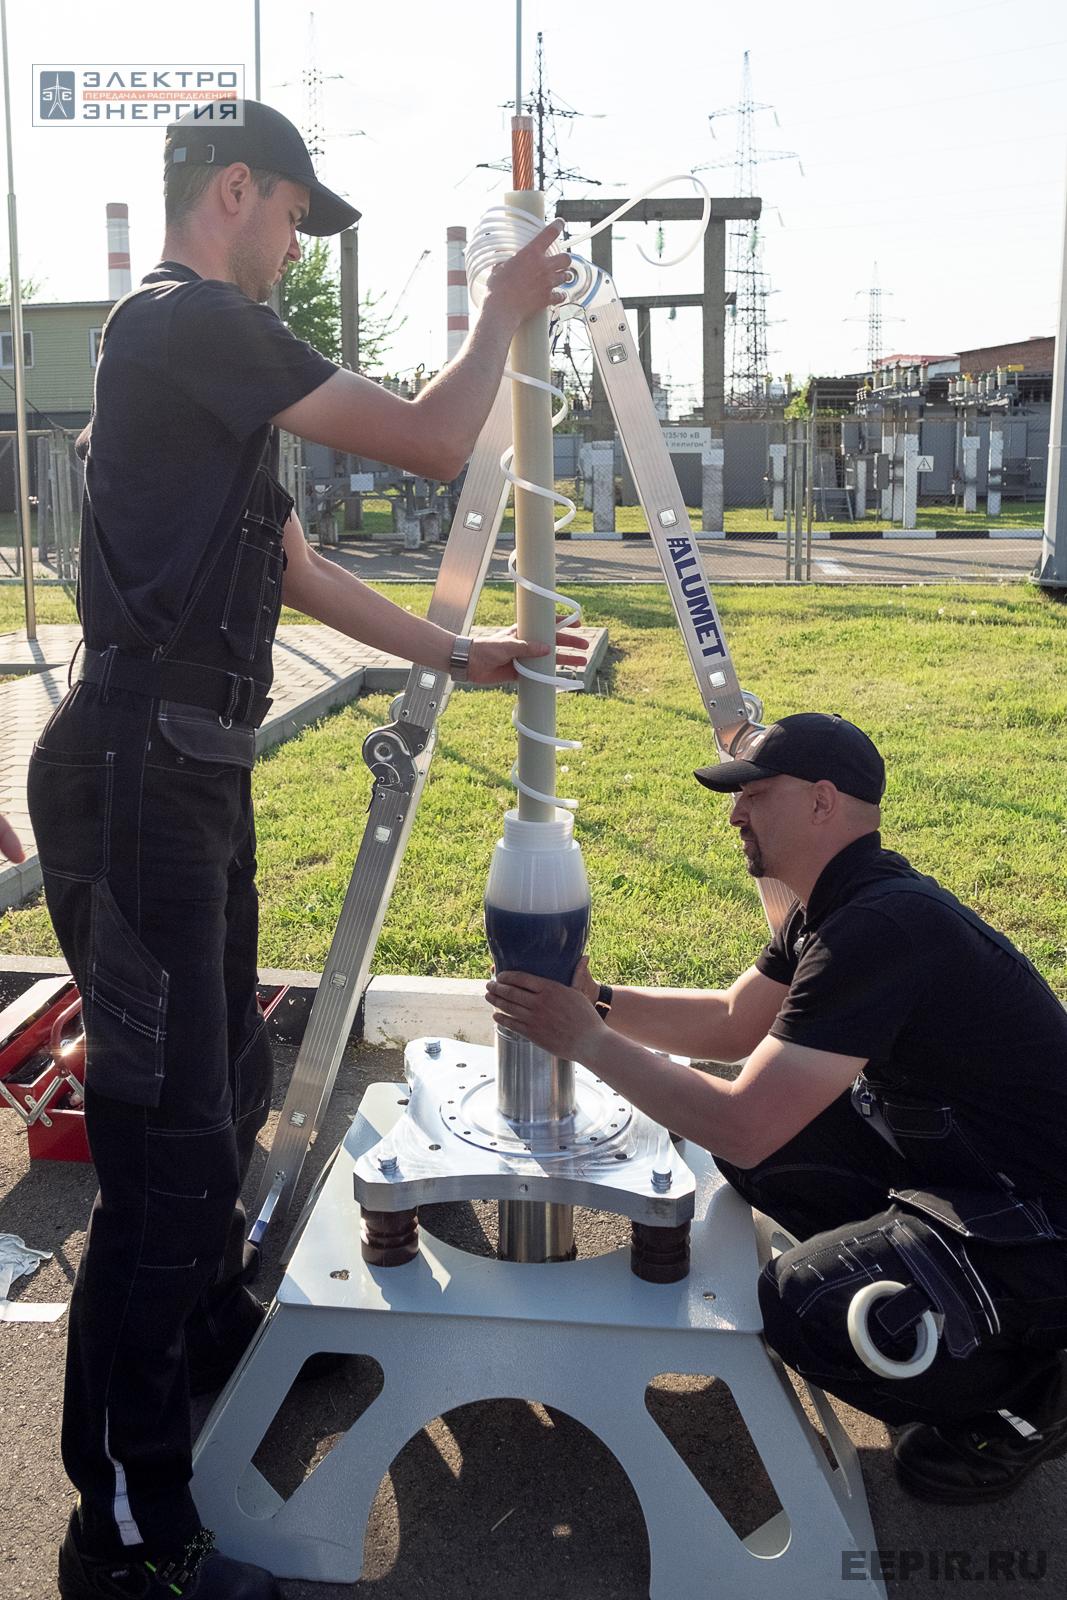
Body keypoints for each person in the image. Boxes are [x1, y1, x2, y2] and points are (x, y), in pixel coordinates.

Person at [33, 99, 580, 1600]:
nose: (295, 247)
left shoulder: (201, 371)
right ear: (232, 194)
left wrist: (453, 654)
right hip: (143, 772)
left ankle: (203, 1339)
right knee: (163, 1158)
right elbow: (427, 440)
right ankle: (127, 1539)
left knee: (222, 1092)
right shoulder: (186, 321)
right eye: (291, 217)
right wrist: (501, 309)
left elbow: (296, 565)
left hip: (180, 775)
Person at [488, 712, 1067, 1506]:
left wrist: (585, 1040)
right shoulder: (838, 903)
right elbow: (734, 1021)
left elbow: (739, 1117)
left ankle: (1028, 1397)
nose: (733, 814)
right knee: (768, 1150)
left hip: (1041, 1225)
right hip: (979, 1182)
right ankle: (955, 1307)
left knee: (812, 1302)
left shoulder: (878, 926)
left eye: (753, 795)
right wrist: (600, 1002)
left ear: (822, 802)